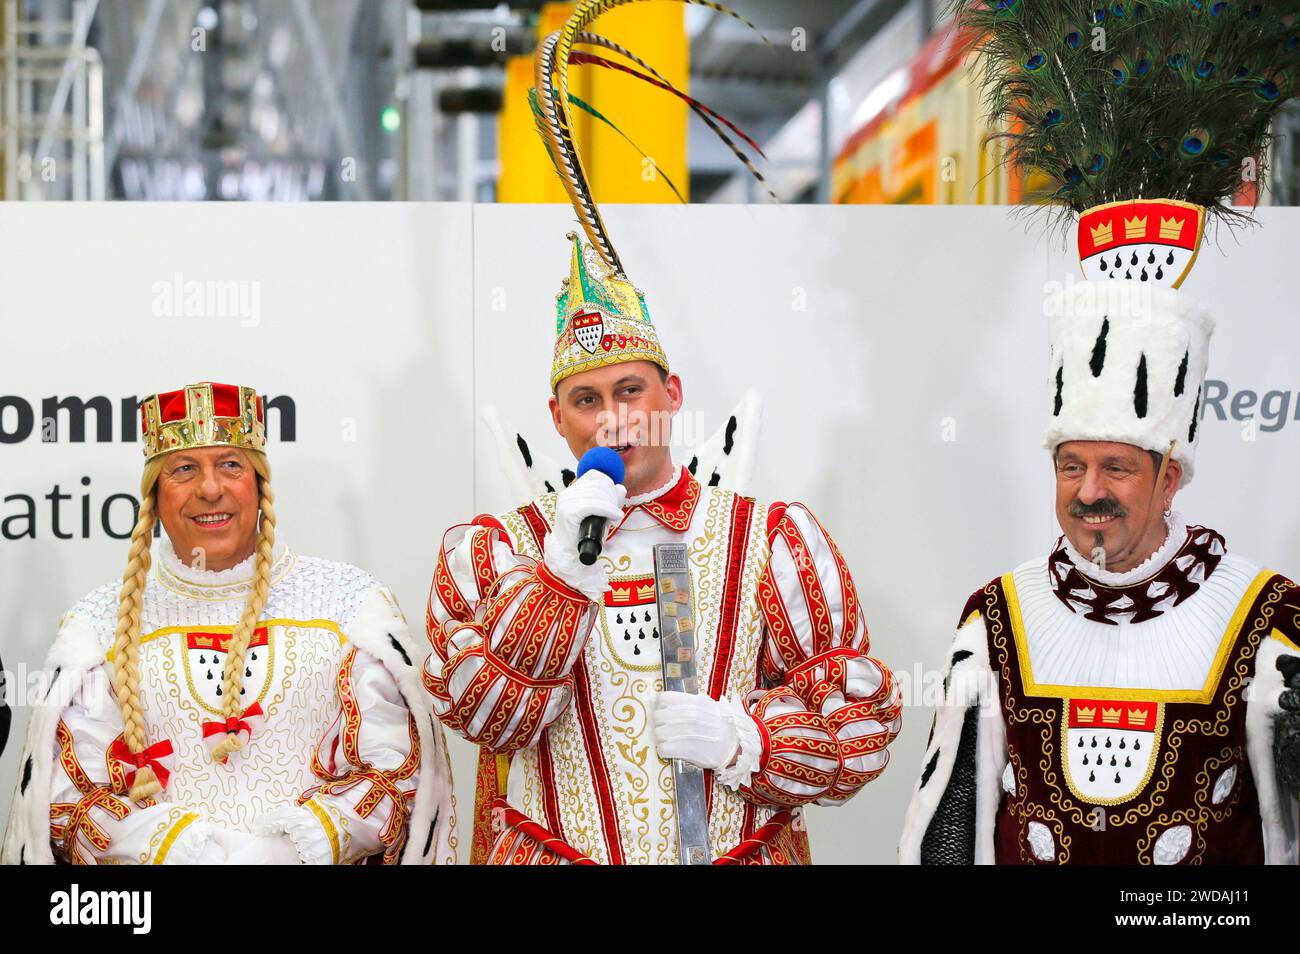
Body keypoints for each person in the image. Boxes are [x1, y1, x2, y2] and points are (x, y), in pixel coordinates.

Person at [421, 0, 902, 865]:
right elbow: (483, 715)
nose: (613, 418)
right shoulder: (493, 554)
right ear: (557, 420)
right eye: (587, 400)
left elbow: (861, 722)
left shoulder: (771, 539)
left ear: (672, 393)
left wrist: (748, 739)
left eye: (632, 390)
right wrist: (564, 574)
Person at [900, 0, 1300, 864]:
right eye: (1070, 464)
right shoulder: (994, 620)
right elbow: (947, 829)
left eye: (1117, 467)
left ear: (1172, 474)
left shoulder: (1273, 621)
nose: (1088, 493)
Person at [2, 381, 455, 864]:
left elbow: (395, 773)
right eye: (184, 469)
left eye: (231, 465)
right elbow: (72, 798)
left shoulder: (349, 605)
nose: (210, 488)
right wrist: (188, 854)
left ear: (259, 485)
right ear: (154, 494)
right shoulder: (96, 626)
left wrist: (286, 851)